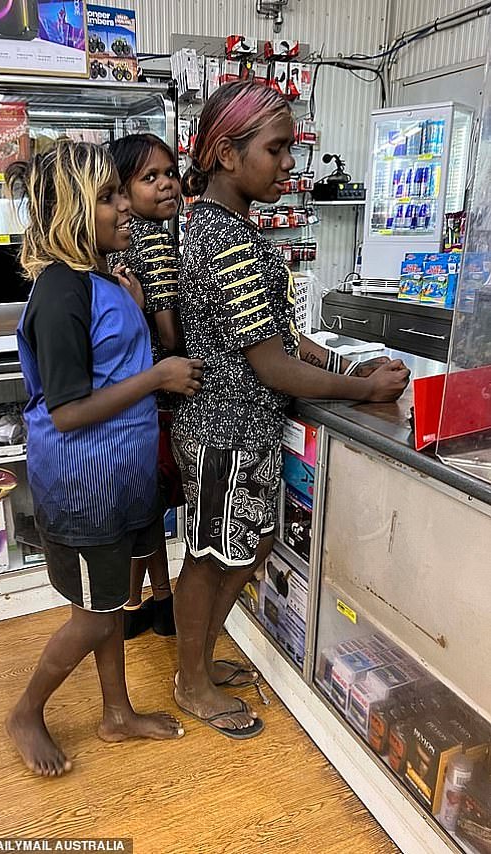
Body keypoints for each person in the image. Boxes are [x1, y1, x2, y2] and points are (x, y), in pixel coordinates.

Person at [172, 81, 410, 740]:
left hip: (240, 430)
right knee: (212, 555)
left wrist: (341, 367)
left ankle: (198, 661)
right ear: (225, 153)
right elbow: (272, 365)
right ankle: (190, 679)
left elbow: (277, 335)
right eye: (276, 150)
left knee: (245, 546)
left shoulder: (223, 227)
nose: (288, 164)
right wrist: (363, 390)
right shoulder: (227, 240)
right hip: (226, 433)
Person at [4, 141, 203, 776]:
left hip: (123, 475)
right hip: (81, 485)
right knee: (93, 615)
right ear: (72, 210)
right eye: (111, 197)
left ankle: (116, 713)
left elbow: (112, 358)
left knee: (109, 602)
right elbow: (66, 410)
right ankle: (27, 710)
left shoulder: (102, 280)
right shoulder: (61, 292)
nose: (126, 207)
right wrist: (158, 377)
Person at [108, 133, 184, 640]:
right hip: (158, 391)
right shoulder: (154, 239)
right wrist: (181, 354)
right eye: (148, 178)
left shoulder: (136, 237)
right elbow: (166, 324)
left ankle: (155, 600)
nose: (164, 185)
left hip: (141, 389)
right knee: (147, 506)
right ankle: (138, 603)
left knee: (149, 509)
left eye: (169, 173)